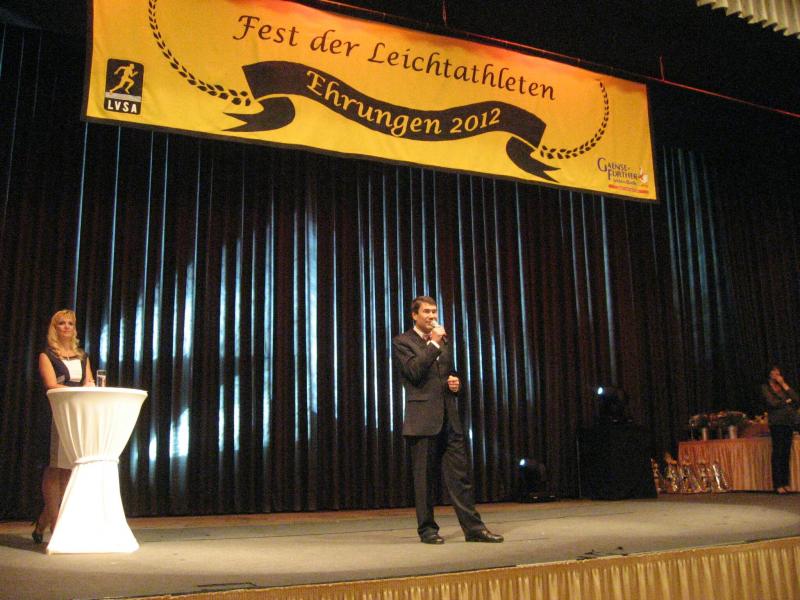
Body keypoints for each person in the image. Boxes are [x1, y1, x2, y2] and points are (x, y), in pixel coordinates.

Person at [392, 296, 503, 544]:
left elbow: (446, 374)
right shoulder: (403, 342)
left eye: (434, 311)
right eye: (426, 312)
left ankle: (474, 529)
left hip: (449, 418)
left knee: (460, 477)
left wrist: (455, 383)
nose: (432, 316)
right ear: (414, 315)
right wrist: (433, 343)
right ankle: (427, 530)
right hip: (423, 420)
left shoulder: (443, 341)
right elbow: (414, 372)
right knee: (424, 480)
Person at [32, 309, 95, 543]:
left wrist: (89, 387)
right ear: (54, 328)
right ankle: (56, 525)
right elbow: (51, 384)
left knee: (69, 469)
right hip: (56, 414)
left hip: (77, 415)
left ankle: (41, 524)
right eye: (62, 323)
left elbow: (89, 381)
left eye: (70, 323)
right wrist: (77, 390)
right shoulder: (47, 355)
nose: (67, 327)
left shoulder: (82, 356)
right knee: (55, 468)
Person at [761, 365, 799, 494]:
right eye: (774, 371)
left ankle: (785, 482)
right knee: (778, 452)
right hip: (776, 423)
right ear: (769, 373)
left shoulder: (783, 386)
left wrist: (784, 384)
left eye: (778, 371)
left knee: (786, 453)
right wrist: (787, 401)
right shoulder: (765, 387)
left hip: (788, 422)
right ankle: (778, 484)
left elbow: (796, 399)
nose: (777, 373)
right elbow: (772, 403)